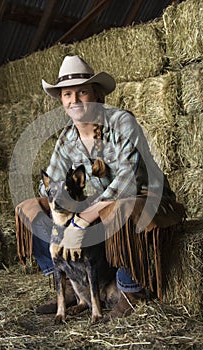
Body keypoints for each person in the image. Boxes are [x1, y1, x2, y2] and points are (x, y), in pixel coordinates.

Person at [15, 55, 185, 320]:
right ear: (61, 100)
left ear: (97, 95)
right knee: (31, 207)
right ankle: (68, 279)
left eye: (82, 92)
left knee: (123, 206)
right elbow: (48, 182)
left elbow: (128, 181)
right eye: (67, 94)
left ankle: (130, 288)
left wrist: (82, 219)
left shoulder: (121, 122)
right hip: (97, 205)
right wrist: (64, 206)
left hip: (145, 200)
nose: (75, 100)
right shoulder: (67, 138)